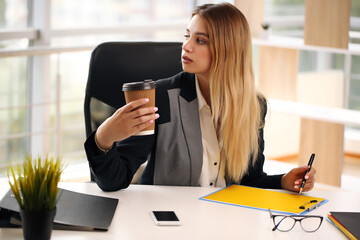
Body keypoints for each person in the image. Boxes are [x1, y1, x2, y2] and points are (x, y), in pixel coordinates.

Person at [84, 2, 316, 192]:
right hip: (166, 221)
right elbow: (115, 181)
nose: (186, 46)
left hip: (225, 219)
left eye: (200, 40)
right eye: (187, 36)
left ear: (229, 49)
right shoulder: (162, 98)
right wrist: (104, 138)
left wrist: (283, 181)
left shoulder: (254, 105)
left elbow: (248, 182)